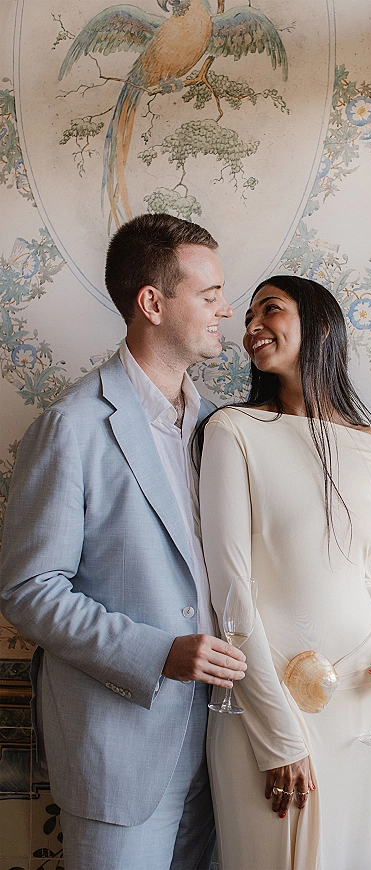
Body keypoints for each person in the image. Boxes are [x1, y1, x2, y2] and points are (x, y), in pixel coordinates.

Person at [0, 213, 247, 870]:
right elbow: (29, 592)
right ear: (152, 302)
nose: (227, 307)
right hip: (120, 751)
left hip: (225, 749)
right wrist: (159, 652)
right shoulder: (71, 427)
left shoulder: (221, 426)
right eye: (209, 293)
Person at [198, 275, 371, 870]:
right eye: (246, 317)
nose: (249, 329)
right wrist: (278, 736)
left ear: (321, 325)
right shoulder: (233, 430)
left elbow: (362, 580)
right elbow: (230, 592)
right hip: (263, 702)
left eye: (269, 310)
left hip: (357, 704)